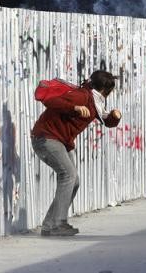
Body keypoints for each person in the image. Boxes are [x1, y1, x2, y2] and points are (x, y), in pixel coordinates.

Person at [31, 70, 122, 236]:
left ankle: (50, 225)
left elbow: (105, 120)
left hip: (60, 141)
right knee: (68, 175)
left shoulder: (95, 101)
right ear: (105, 90)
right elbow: (50, 101)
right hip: (46, 138)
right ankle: (58, 224)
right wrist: (74, 107)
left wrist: (115, 117)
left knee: (74, 181)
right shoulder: (81, 97)